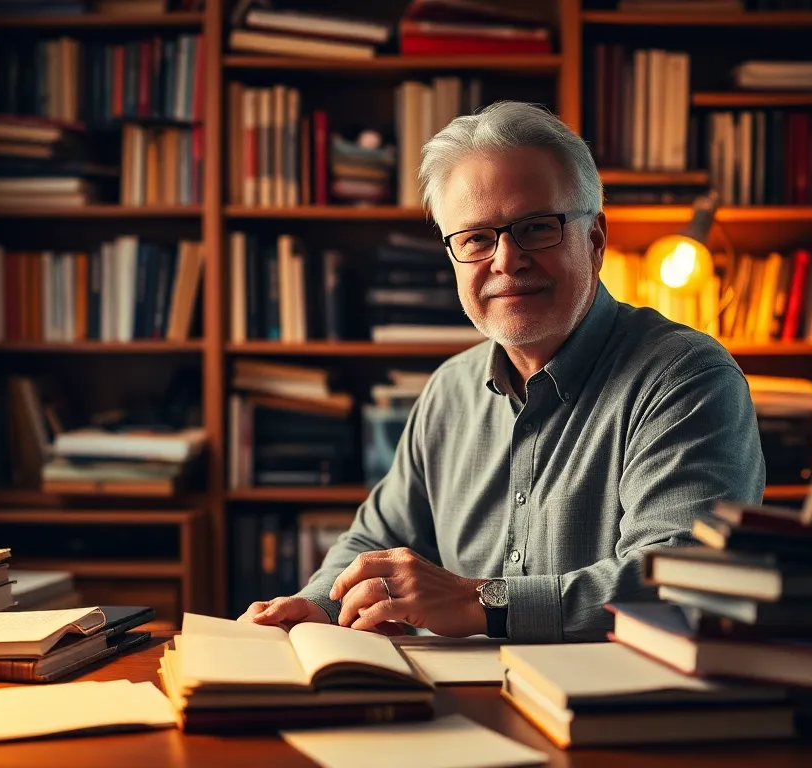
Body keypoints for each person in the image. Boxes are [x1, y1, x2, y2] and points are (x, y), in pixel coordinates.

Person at [239, 101, 765, 642]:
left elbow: (682, 582)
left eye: (537, 228)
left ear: (596, 239)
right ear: (453, 257)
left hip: (611, 717)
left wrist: (483, 601)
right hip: (452, 708)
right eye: (476, 238)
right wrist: (318, 608)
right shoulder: (449, 390)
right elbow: (374, 540)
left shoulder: (687, 378)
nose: (506, 260)